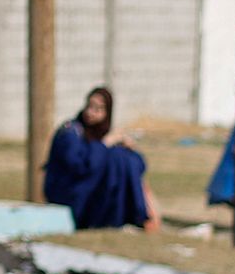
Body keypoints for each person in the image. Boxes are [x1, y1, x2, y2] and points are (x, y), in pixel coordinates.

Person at [43, 87, 159, 231]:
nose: (91, 112)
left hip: (91, 191)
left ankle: (136, 217)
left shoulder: (102, 133)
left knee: (123, 158)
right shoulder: (71, 132)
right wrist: (104, 144)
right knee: (115, 159)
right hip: (69, 192)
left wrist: (131, 149)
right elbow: (80, 166)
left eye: (98, 109)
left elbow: (139, 166)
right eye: (90, 106)